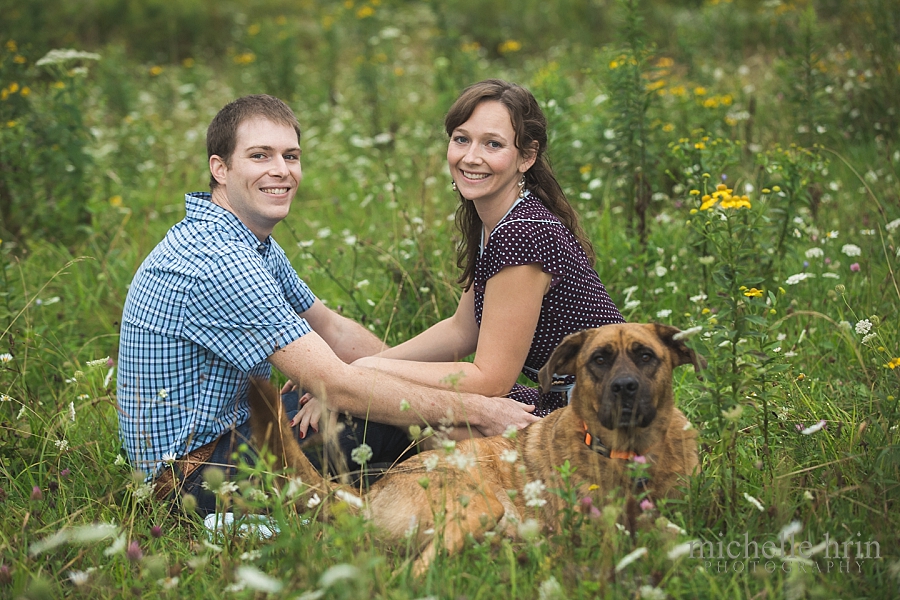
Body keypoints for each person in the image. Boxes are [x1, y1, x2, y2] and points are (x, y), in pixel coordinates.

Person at [116, 94, 538, 514]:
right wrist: (478, 409)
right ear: (220, 168)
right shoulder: (218, 260)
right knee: (390, 414)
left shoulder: (245, 240)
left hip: (241, 428)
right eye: (260, 156)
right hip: (194, 476)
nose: (280, 171)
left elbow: (332, 329)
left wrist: (398, 377)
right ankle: (516, 488)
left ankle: (486, 479)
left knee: (396, 407)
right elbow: (334, 384)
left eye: (290, 156)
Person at [291, 80, 623, 437]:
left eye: (492, 144)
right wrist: (357, 372)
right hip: (568, 399)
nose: (470, 157)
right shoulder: (497, 222)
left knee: (422, 421)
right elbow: (462, 330)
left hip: (603, 413)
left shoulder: (522, 233)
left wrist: (359, 378)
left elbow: (491, 379)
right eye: (462, 139)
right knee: (403, 403)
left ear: (526, 157)